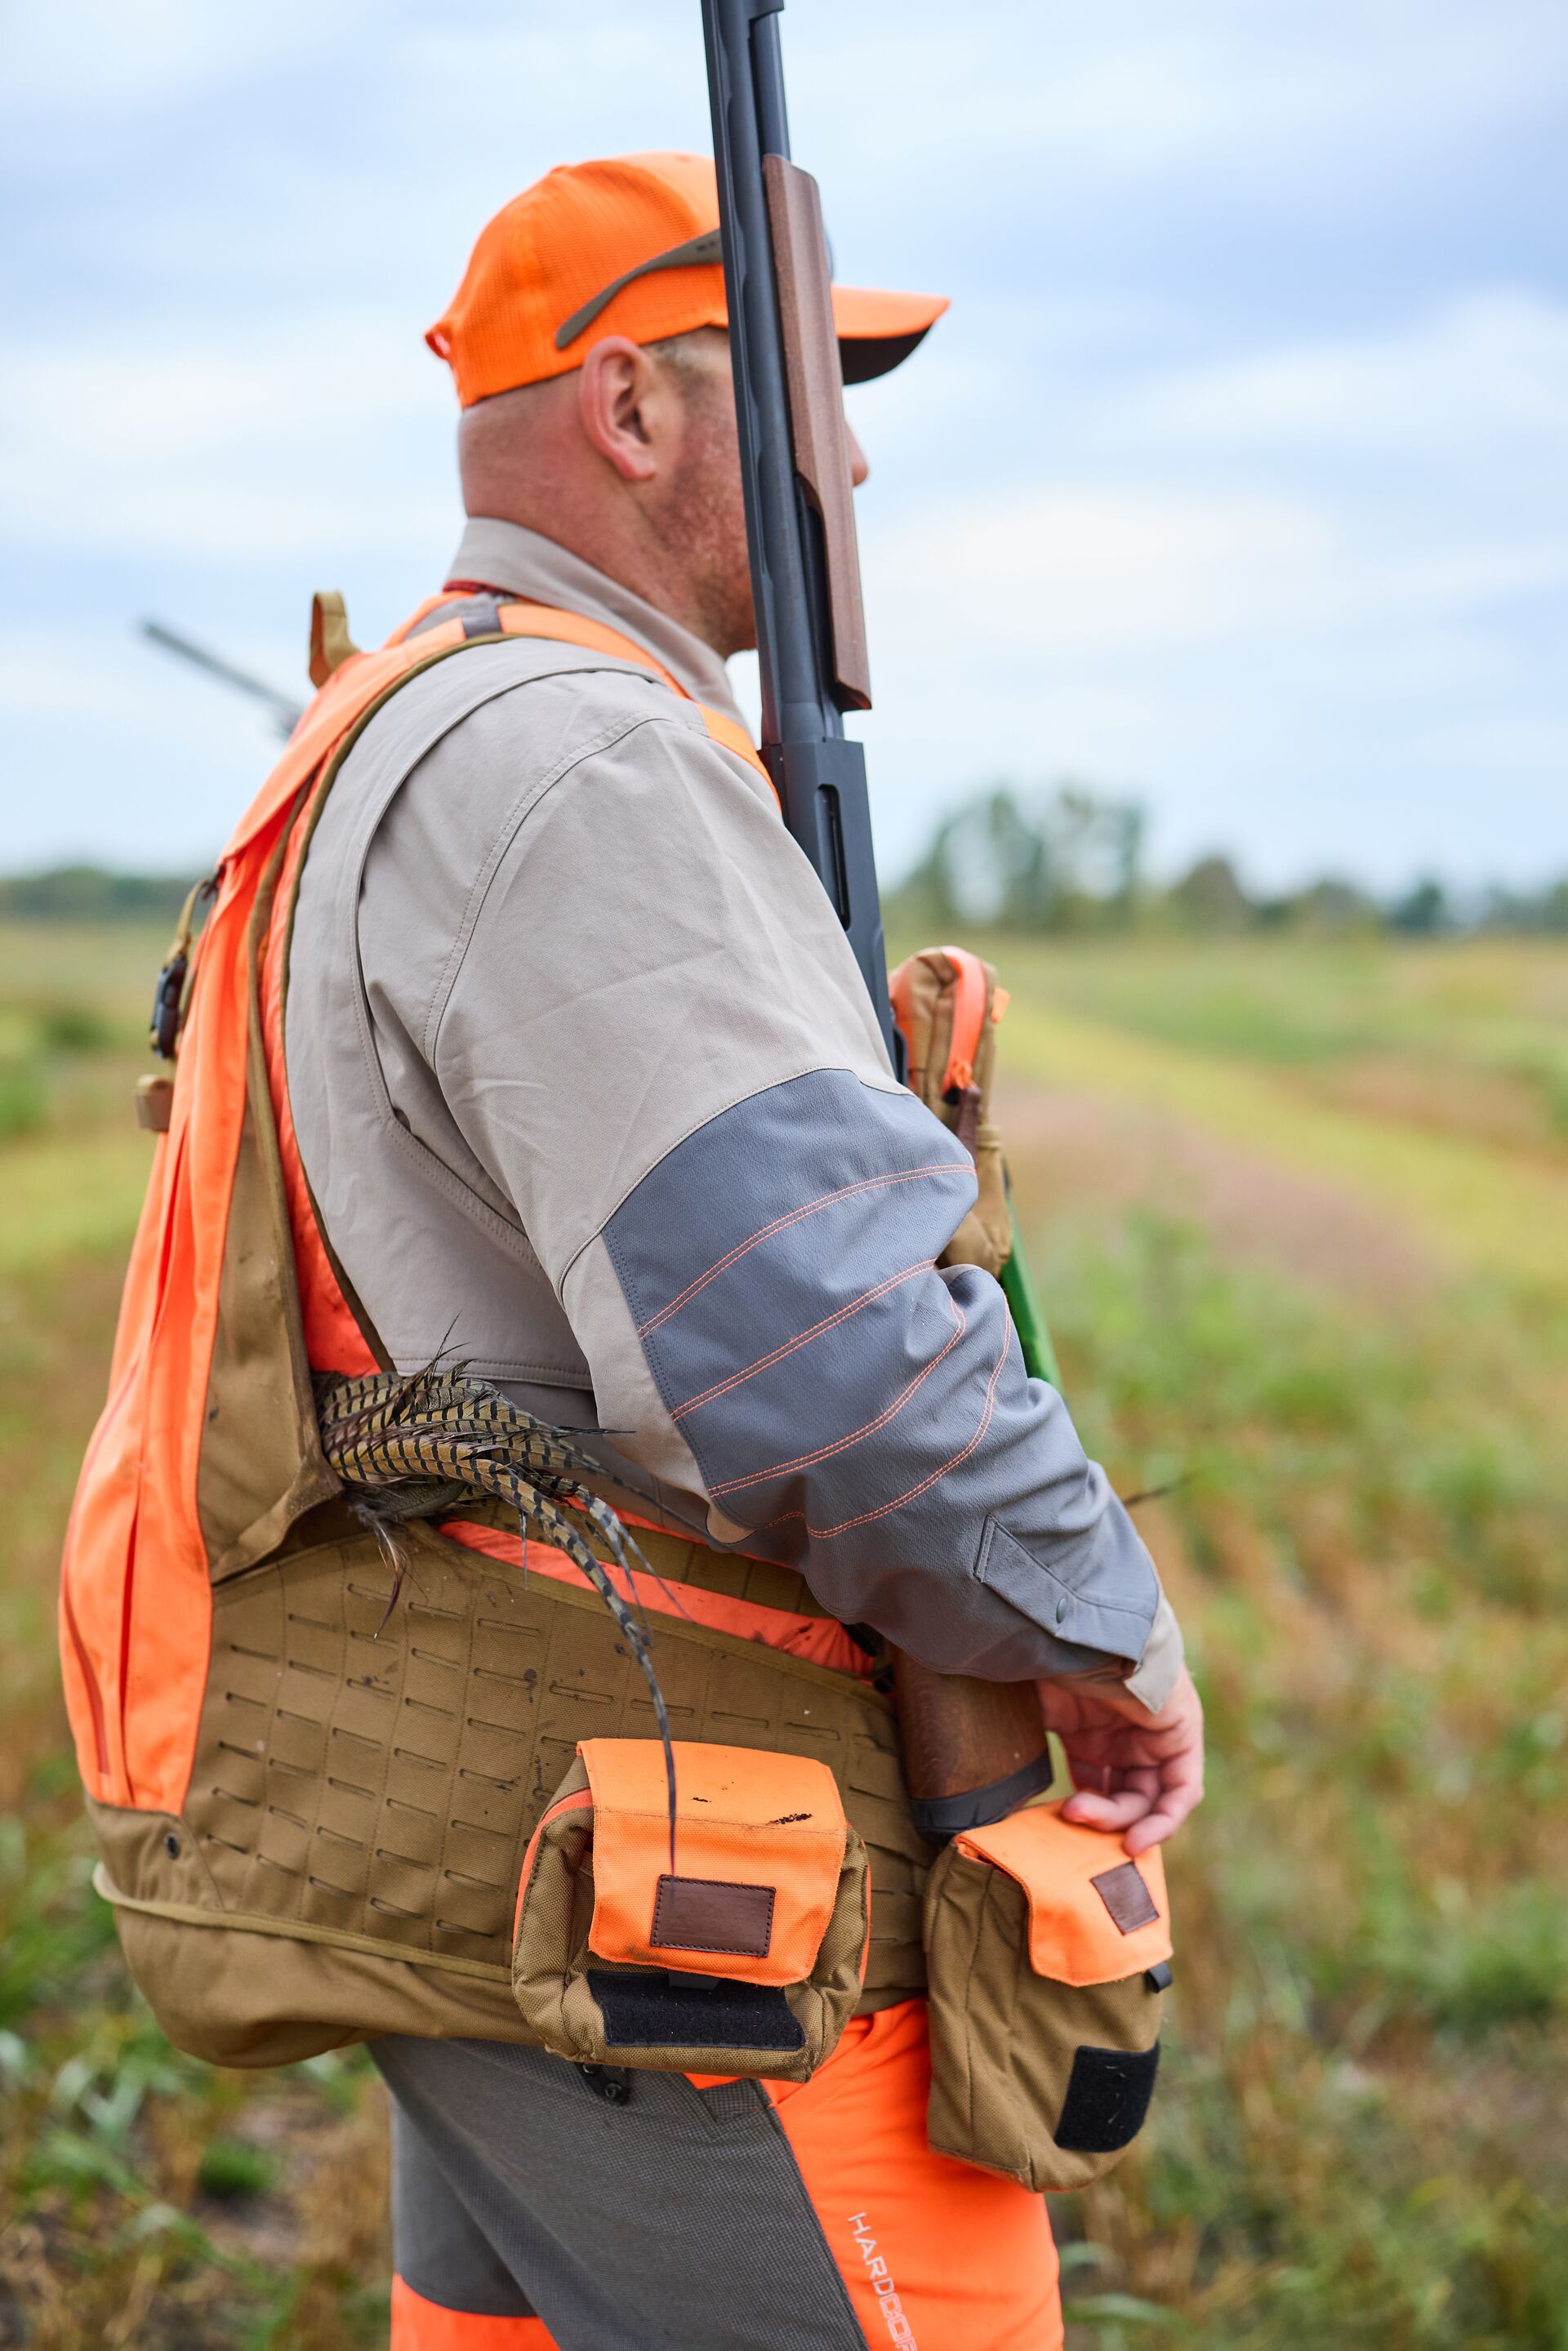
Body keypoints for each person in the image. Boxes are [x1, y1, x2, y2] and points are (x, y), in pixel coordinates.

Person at [69, 151, 1203, 2351]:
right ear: (629, 409)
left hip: (516, 1831)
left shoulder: (395, 724)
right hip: (679, 1885)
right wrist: (1096, 1616)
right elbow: (820, 1350)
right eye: (803, 394)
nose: (849, 457)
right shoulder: (579, 762)